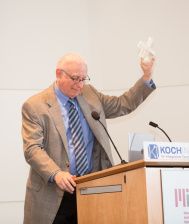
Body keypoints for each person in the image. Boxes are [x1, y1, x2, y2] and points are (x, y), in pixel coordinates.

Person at [21, 53, 156, 224]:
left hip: (92, 190)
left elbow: (123, 104)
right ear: (58, 74)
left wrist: (146, 76)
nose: (80, 85)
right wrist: (56, 174)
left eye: (84, 79)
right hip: (54, 193)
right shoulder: (35, 106)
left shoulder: (89, 94)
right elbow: (32, 149)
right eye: (75, 79)